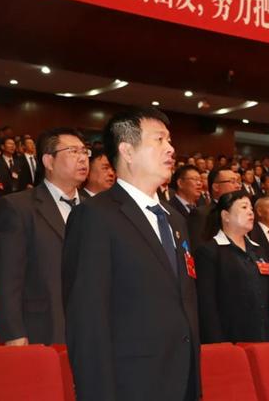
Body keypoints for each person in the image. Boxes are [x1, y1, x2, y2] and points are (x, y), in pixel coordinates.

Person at [62, 107, 201, 401]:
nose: (170, 148)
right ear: (127, 151)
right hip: (131, 384)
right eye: (159, 139)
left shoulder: (175, 220)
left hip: (182, 382)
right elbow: (87, 320)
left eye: (169, 140)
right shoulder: (95, 216)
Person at [0, 128, 88, 345]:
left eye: (84, 151)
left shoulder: (95, 208)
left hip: (91, 331)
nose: (83, 158)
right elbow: (7, 278)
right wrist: (13, 333)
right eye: (73, 151)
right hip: (44, 328)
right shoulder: (19, 207)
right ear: (48, 161)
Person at [194, 190, 269, 344]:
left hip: (264, 338)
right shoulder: (209, 252)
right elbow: (206, 306)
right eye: (244, 207)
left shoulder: (258, 250)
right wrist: (218, 345)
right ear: (225, 215)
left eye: (251, 208)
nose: (250, 212)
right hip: (231, 340)